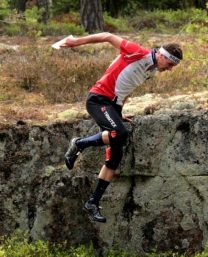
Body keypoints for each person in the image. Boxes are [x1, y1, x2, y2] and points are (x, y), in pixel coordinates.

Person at [60, 32, 183, 223]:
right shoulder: (137, 52)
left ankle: (92, 202)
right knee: (120, 134)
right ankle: (80, 144)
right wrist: (76, 42)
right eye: (170, 65)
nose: (170, 70)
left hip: (113, 106)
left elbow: (125, 88)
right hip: (98, 99)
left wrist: (119, 113)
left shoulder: (151, 69)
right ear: (162, 56)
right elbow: (108, 36)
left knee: (115, 158)